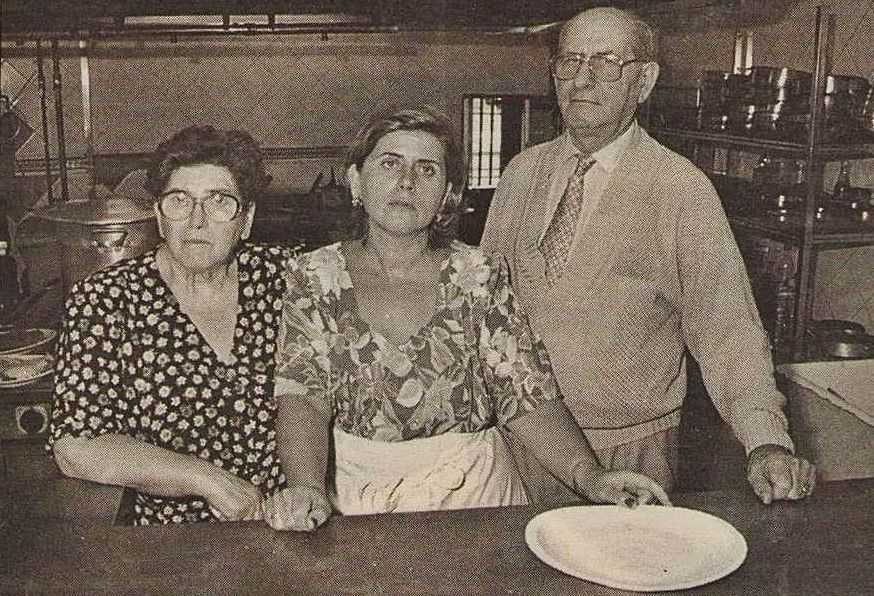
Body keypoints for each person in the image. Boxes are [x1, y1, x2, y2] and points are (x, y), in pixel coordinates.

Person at [262, 106, 670, 532]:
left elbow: (524, 394)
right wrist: (306, 487)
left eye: (427, 170)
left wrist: (590, 476)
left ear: (448, 194)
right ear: (356, 181)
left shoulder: (478, 276)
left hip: (473, 502)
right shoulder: (314, 277)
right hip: (357, 502)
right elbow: (303, 397)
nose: (406, 182)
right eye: (389, 163)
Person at [479, 6, 816, 504]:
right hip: (516, 438)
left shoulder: (679, 189)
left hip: (628, 448)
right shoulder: (522, 173)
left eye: (606, 62)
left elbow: (728, 330)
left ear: (644, 80)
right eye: (570, 62)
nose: (583, 80)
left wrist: (765, 439)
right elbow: (484, 305)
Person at [48, 125, 293, 524]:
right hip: (168, 543)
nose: (197, 220)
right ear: (160, 216)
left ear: (245, 220)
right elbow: (77, 446)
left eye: (219, 201)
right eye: (179, 200)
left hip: (283, 526)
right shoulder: (106, 299)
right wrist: (208, 480)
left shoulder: (283, 278)